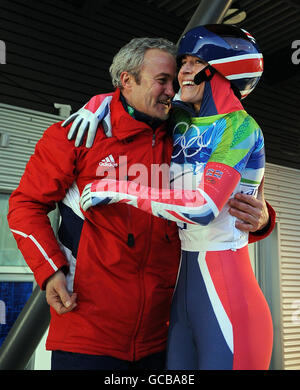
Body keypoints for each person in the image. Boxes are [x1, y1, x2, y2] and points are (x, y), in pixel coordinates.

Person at [7, 34, 275, 371]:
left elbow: (219, 198)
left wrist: (262, 218)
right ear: (127, 80)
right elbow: (24, 206)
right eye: (162, 80)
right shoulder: (74, 135)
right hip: (88, 333)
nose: (172, 89)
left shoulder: (178, 131)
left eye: (175, 76)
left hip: (160, 334)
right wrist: (50, 271)